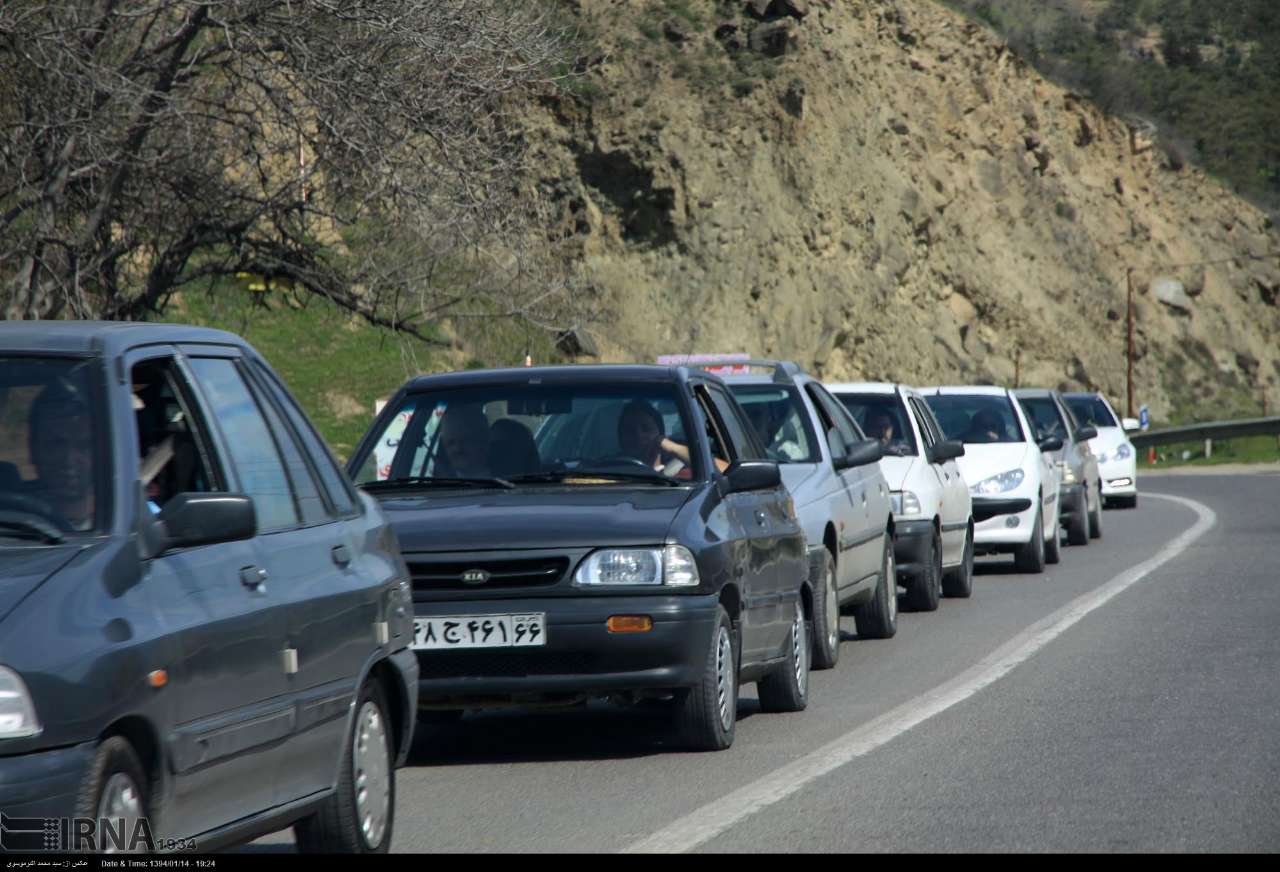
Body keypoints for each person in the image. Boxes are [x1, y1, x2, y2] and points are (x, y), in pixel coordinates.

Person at [27, 382, 95, 530]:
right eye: (55, 444)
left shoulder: (123, 519)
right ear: (33, 449)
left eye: (84, 446)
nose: (68, 460)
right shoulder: (10, 523)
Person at [617, 401, 729, 474]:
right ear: (621, 436)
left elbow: (726, 471)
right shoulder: (612, 470)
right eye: (629, 430)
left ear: (660, 433)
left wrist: (672, 448)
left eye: (646, 428)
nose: (638, 435)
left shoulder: (682, 465)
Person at [437, 404, 492, 477]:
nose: (457, 448)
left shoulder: (503, 483)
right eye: (451, 442)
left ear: (483, 442)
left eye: (465, 440)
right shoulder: (438, 483)